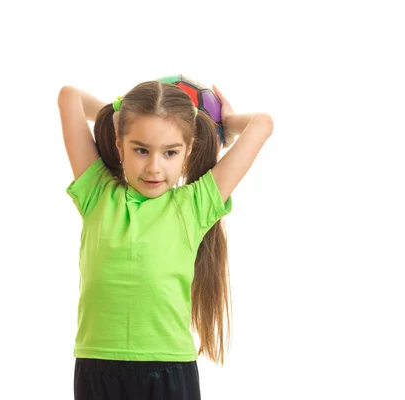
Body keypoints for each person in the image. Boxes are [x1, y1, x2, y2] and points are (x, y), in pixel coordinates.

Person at [58, 79, 273, 399]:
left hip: (169, 370)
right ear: (120, 145)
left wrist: (223, 128)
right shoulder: (97, 193)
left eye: (170, 152)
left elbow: (262, 124)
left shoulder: (195, 205)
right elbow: (68, 96)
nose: (154, 166)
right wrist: (121, 111)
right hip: (97, 366)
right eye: (141, 149)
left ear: (187, 152)